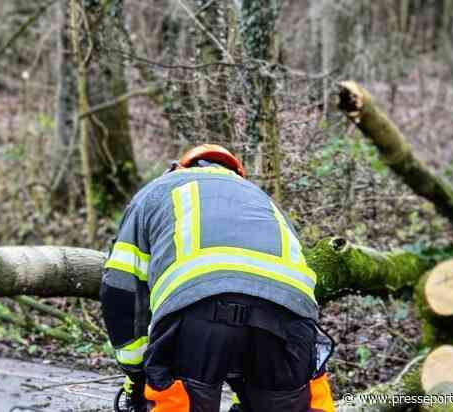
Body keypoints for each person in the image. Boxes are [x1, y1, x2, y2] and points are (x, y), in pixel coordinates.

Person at [100, 144, 335, 412]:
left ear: (178, 168)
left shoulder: (155, 192)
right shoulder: (264, 202)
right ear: (238, 176)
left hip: (196, 312)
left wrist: (136, 374)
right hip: (288, 322)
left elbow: (120, 290)